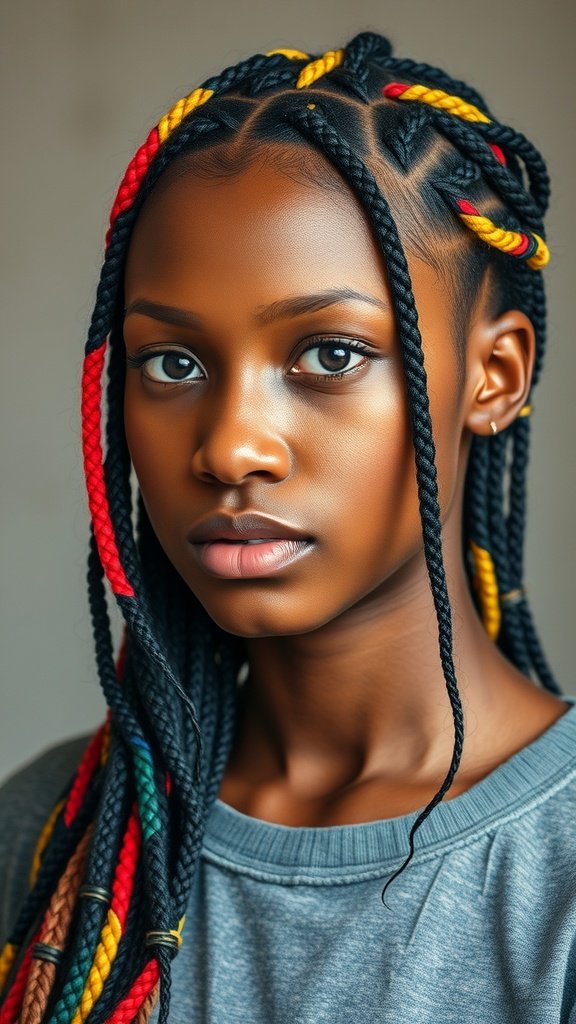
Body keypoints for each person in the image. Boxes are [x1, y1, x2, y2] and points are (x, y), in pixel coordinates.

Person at [0, 30, 574, 1024]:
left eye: (329, 353)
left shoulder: (554, 876)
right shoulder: (59, 831)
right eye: (172, 363)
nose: (230, 448)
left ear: (497, 375)